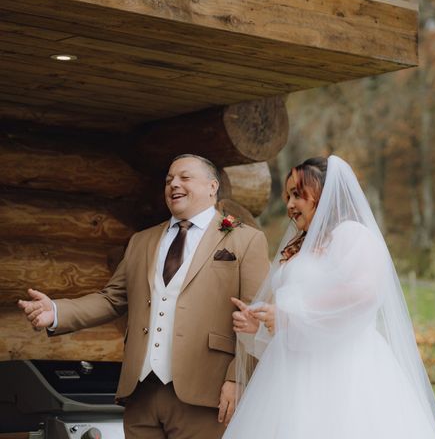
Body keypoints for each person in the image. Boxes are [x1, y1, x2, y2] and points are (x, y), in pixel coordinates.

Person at [17, 154, 270, 439]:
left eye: (184, 177)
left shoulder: (245, 239)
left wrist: (237, 379)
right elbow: (113, 298)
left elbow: (255, 318)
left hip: (206, 393)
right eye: (168, 180)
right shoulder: (142, 240)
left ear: (212, 187)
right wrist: (56, 311)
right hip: (141, 393)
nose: (174, 184)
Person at [226, 156, 435, 439]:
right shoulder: (301, 248)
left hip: (344, 371)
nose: (290, 205)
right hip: (292, 374)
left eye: (298, 195)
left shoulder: (352, 235)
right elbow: (296, 318)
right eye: (288, 197)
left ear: (323, 193)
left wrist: (287, 317)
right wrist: (261, 324)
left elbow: (363, 293)